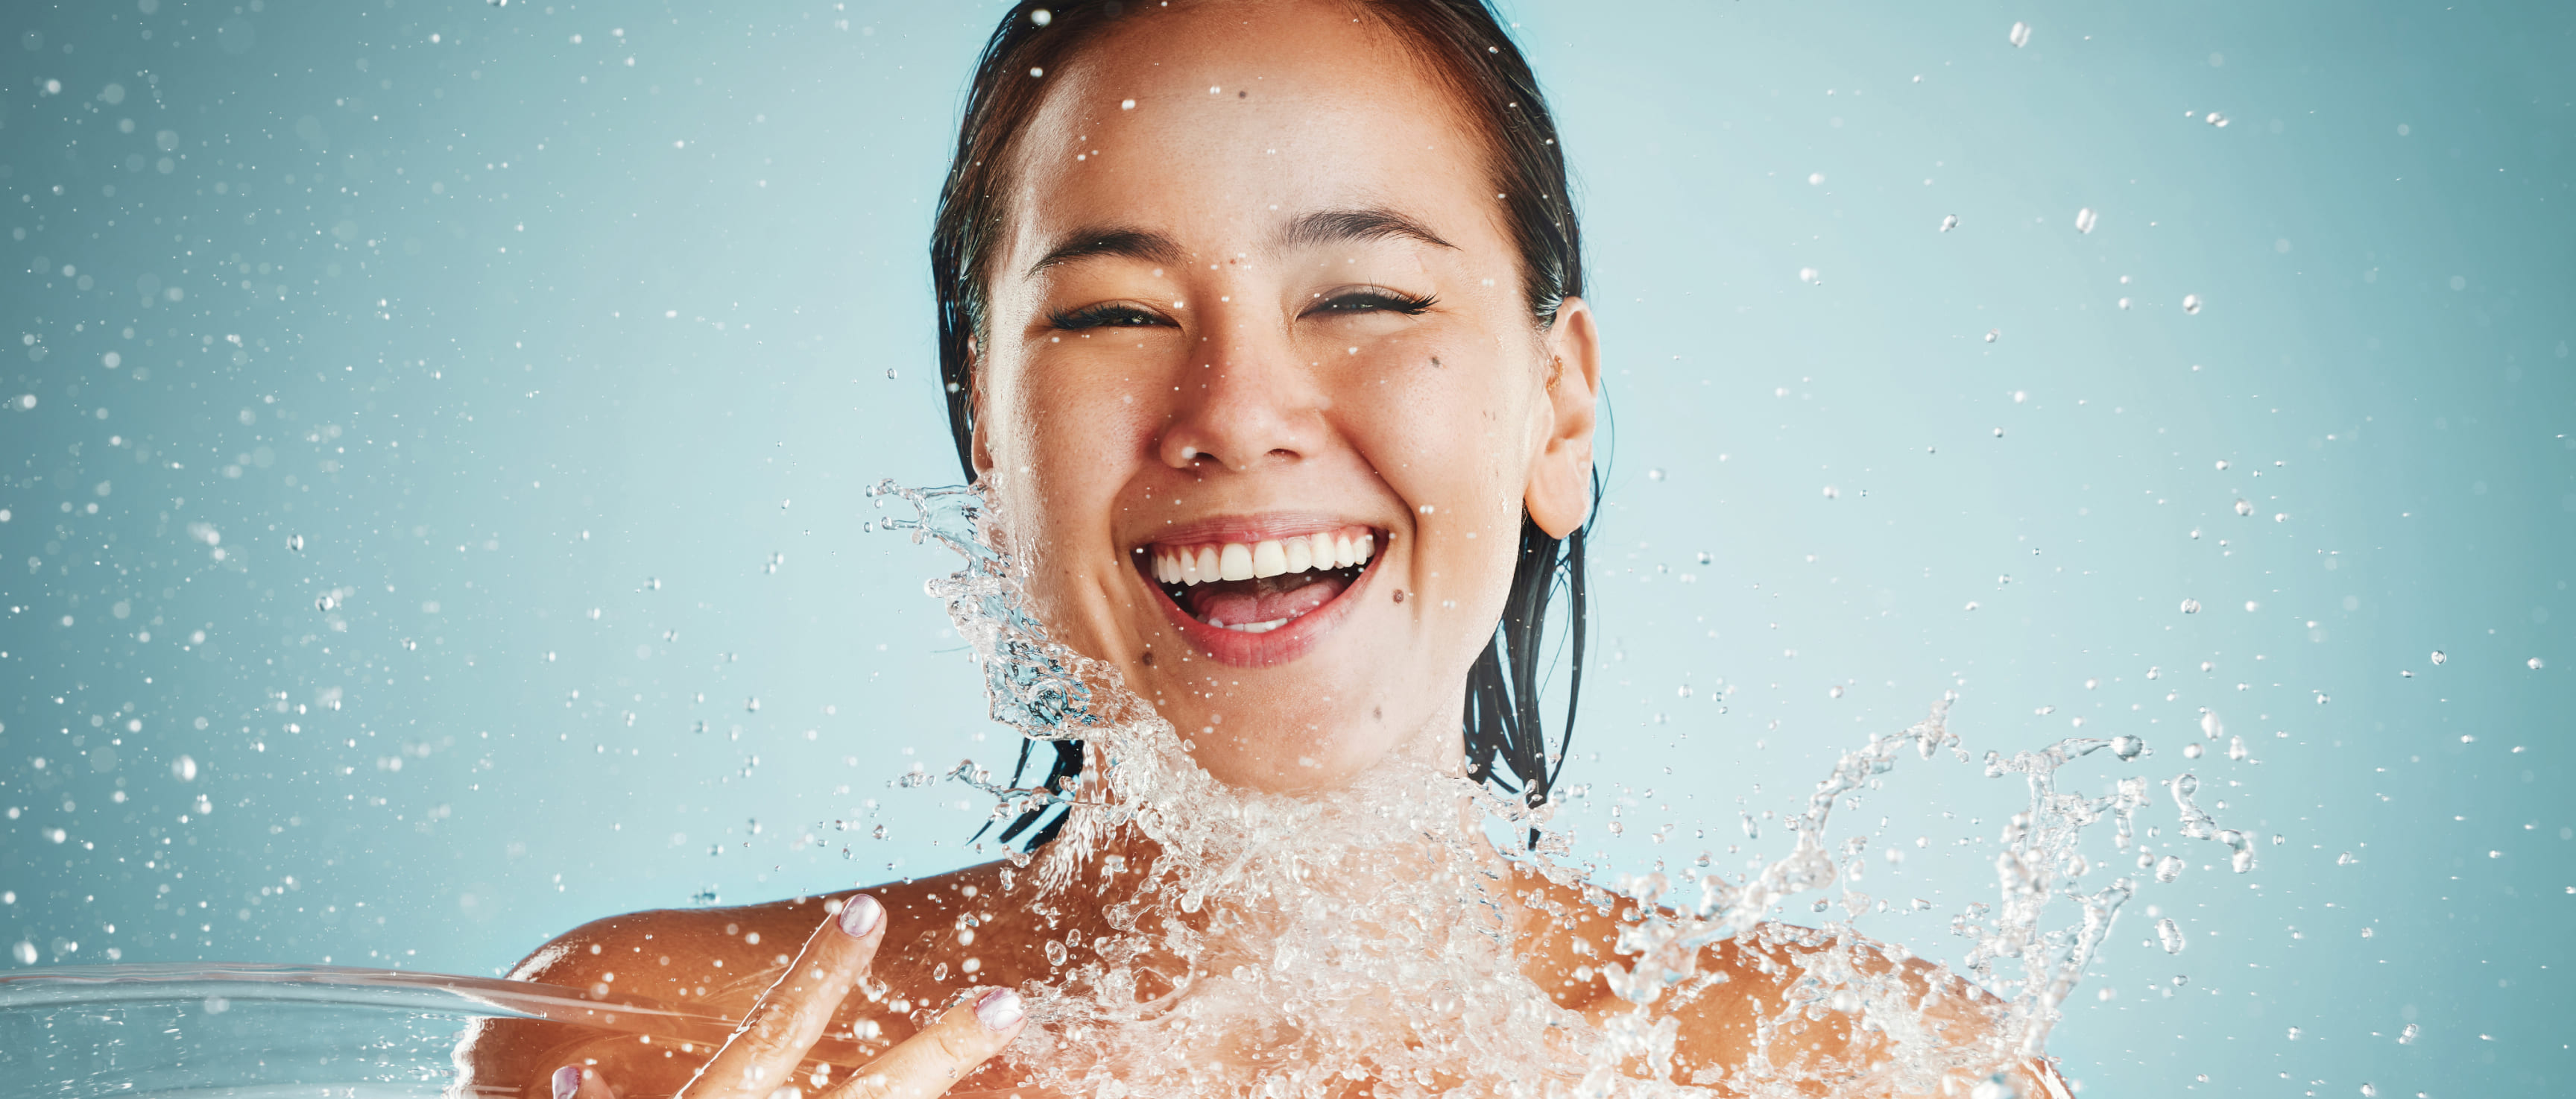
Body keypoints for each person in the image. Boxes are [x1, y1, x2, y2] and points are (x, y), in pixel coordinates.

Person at [458, 2, 2070, 1096]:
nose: (1235, 410)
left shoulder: (1862, 1064)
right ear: (982, 429)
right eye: (1112, 313)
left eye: (1364, 296)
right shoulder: (646, 1039)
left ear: (1559, 412)